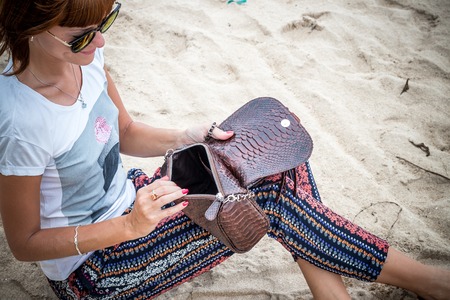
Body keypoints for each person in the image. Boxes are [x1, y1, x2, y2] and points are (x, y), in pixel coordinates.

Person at [0, 1, 448, 299]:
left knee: (273, 157)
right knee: (267, 198)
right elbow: (25, 244)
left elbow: (127, 131)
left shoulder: (87, 58)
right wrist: (129, 226)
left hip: (135, 200)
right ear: (30, 30)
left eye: (107, 23)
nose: (100, 44)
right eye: (82, 37)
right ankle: (427, 282)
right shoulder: (20, 122)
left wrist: (191, 135)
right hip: (93, 268)